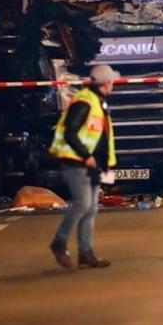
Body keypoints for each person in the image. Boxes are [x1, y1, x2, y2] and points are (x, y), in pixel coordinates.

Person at [49, 64, 118, 269]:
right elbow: (70, 132)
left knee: (91, 208)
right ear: (106, 83)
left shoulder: (98, 101)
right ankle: (59, 243)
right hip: (77, 162)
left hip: (93, 164)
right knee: (83, 204)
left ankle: (86, 253)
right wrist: (85, 155)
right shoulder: (85, 101)